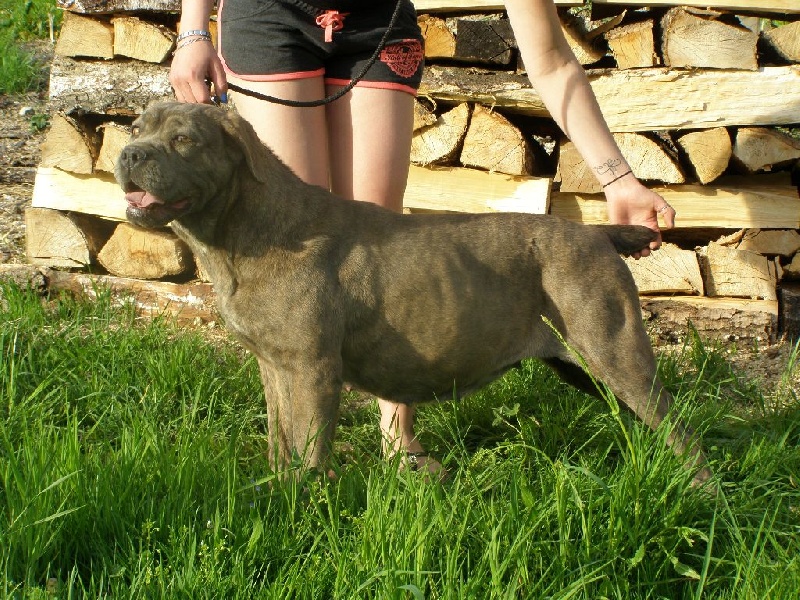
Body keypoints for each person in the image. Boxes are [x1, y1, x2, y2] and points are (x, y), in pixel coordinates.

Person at [169, 0, 676, 476]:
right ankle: (299, 470)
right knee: (293, 251)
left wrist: (618, 180)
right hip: (269, 13)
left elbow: (553, 61)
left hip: (377, 21)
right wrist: (194, 32)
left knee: (382, 249)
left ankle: (398, 438)